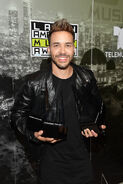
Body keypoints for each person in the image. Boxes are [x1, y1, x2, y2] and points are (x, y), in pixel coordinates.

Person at [11, 19, 106, 184]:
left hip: (84, 164)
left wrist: (98, 127)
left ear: (74, 48)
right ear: (48, 49)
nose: (62, 51)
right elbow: (17, 116)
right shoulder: (33, 83)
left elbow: (99, 108)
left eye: (68, 45)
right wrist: (33, 134)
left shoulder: (86, 77)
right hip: (51, 167)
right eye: (56, 45)